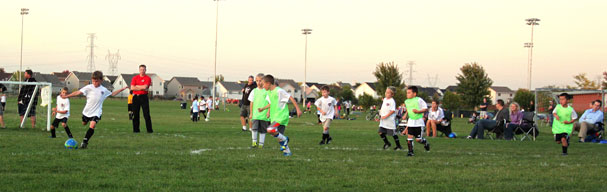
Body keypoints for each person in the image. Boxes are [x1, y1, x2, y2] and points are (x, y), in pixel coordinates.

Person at [62, 71, 128, 149]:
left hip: (96, 112)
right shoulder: (88, 87)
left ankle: (84, 142)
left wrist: (122, 89)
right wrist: (67, 96)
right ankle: (85, 123)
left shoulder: (104, 90)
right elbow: (78, 92)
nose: (94, 83)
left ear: (101, 80)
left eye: (96, 81)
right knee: (84, 123)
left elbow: (112, 94)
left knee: (92, 125)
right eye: (93, 81)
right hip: (87, 111)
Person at [257, 74, 302, 156]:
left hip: (281, 116)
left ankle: (286, 139)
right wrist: (263, 109)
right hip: (274, 117)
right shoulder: (269, 92)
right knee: (278, 137)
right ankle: (287, 152)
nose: (262, 86)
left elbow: (290, 97)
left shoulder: (279, 91)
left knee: (270, 129)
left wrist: (298, 109)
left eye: (263, 84)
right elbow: (271, 103)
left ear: (268, 83)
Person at [401, 86, 430, 156]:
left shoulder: (419, 100)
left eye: (409, 93)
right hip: (411, 121)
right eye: (406, 93)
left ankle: (425, 142)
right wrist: (405, 114)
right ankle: (410, 152)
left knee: (418, 139)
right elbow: (409, 108)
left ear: (414, 94)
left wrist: (418, 111)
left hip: (418, 122)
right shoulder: (406, 101)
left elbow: (425, 108)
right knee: (409, 137)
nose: (407, 94)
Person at [248, 73, 269, 148]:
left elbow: (270, 103)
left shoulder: (267, 91)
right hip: (255, 114)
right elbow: (251, 102)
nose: (258, 82)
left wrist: (268, 112)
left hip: (264, 115)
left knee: (263, 130)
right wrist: (251, 113)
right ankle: (254, 143)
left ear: (264, 81)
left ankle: (261, 144)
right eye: (257, 81)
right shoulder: (254, 91)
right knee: (254, 129)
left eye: (260, 81)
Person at [130, 64, 153, 133]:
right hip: (135, 97)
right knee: (135, 114)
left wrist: (136, 86)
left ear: (145, 70)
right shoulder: (135, 78)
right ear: (139, 70)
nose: (142, 71)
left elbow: (145, 87)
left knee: (146, 114)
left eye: (143, 69)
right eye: (141, 69)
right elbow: (132, 88)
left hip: (144, 97)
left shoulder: (148, 78)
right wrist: (141, 87)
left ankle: (149, 130)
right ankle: (136, 130)